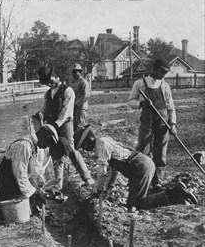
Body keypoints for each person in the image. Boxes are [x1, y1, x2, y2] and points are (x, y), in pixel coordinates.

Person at [74, 126, 197, 212]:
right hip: (141, 164)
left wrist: (98, 190)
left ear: (89, 140)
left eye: (84, 146)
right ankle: (178, 197)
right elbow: (114, 169)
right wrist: (109, 188)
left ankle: (175, 192)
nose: (85, 150)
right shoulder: (104, 141)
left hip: (140, 167)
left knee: (136, 204)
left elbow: (103, 170)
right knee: (135, 201)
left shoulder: (100, 144)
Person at [0, 124, 60, 221]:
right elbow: (19, 173)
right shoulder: (24, 146)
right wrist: (32, 192)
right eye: (47, 143)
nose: (45, 147)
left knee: (31, 202)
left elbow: (32, 172)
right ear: (43, 135)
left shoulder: (32, 146)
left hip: (14, 181)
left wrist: (42, 189)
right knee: (12, 215)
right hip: (8, 182)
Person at [38, 66, 94, 190]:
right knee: (56, 155)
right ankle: (58, 186)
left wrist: (57, 124)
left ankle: (87, 178)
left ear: (56, 76)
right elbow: (44, 109)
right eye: (46, 82)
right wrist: (41, 114)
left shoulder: (67, 91)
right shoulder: (48, 93)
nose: (49, 83)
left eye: (50, 80)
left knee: (71, 151)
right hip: (52, 126)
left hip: (64, 125)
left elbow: (66, 111)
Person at [127, 59, 177, 192]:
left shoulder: (165, 86)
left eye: (166, 73)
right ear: (154, 69)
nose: (164, 75)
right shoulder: (140, 83)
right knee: (143, 149)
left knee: (160, 152)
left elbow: (170, 106)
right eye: (162, 72)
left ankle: (157, 182)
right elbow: (130, 101)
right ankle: (139, 178)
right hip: (147, 121)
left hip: (163, 121)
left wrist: (172, 123)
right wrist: (142, 104)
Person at [69, 63, 90, 132]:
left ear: (80, 72)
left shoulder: (83, 82)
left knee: (81, 126)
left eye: (75, 72)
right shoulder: (73, 82)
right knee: (74, 126)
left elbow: (86, 95)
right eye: (73, 72)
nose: (73, 73)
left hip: (81, 108)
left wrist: (77, 103)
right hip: (74, 107)